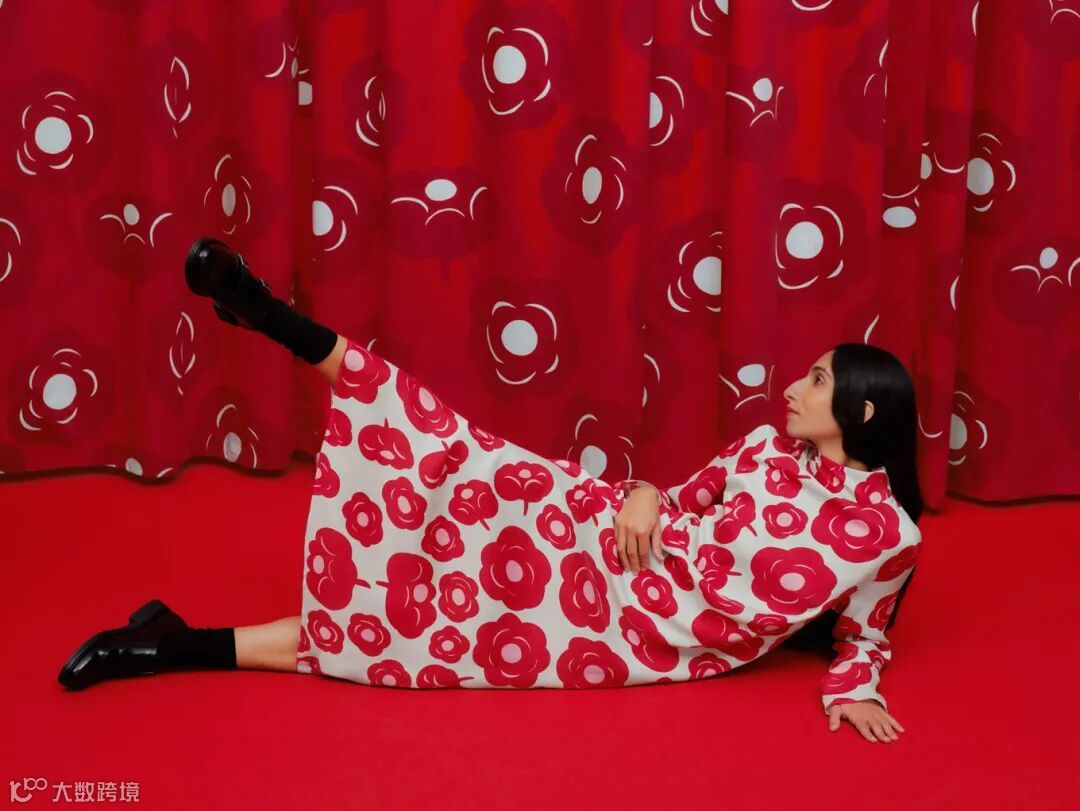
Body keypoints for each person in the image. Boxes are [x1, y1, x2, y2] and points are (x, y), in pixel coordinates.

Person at [57, 238, 923, 744]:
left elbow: (865, 630)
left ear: (861, 408)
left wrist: (855, 688)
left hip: (637, 632)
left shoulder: (887, 533)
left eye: (817, 380)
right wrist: (643, 493)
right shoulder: (768, 448)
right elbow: (679, 499)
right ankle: (268, 312)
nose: (795, 387)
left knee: (409, 645)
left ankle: (164, 647)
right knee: (453, 449)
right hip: (606, 537)